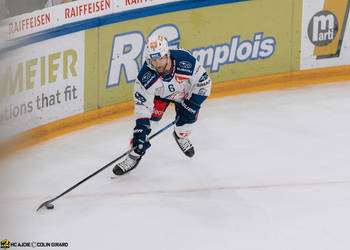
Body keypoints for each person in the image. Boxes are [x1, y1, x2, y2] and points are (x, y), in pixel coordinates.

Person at [112, 34, 212, 175]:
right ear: (148, 59)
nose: (158, 63)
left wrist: (192, 105)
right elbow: (142, 106)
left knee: (185, 127)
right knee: (148, 129)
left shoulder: (185, 60)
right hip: (160, 97)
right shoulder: (145, 77)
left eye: (161, 58)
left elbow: (204, 83)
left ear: (167, 54)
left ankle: (180, 136)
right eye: (153, 59)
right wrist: (140, 130)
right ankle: (134, 155)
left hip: (185, 94)